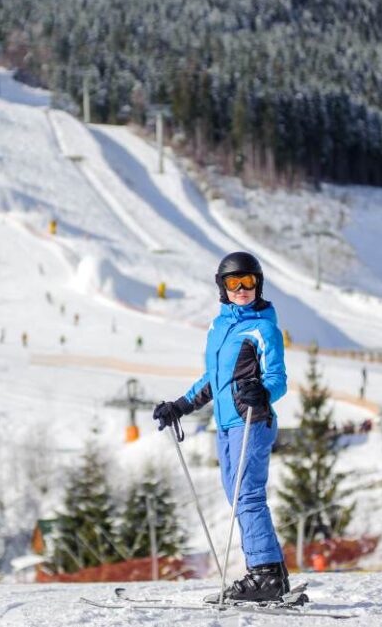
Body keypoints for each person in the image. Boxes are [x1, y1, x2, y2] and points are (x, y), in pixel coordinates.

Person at [153, 251, 289, 602]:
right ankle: (273, 571)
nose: (242, 289)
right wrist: (181, 405)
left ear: (258, 285)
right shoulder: (218, 327)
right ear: (222, 287)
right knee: (237, 497)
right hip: (225, 425)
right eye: (234, 282)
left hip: (252, 420)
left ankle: (264, 575)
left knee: (248, 496)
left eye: (249, 282)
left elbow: (278, 379)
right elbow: (214, 378)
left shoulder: (264, 328)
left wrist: (264, 392)